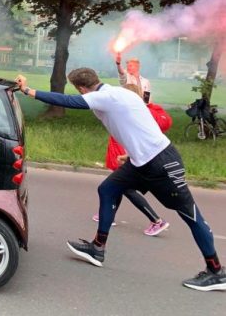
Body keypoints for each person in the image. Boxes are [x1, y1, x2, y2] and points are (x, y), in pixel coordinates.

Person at [15, 69, 224, 291]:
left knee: (190, 215)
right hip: (141, 161)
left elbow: (68, 101)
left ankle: (216, 272)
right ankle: (97, 248)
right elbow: (136, 123)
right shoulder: (118, 94)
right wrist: (133, 153)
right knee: (108, 189)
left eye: (79, 91)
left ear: (82, 88)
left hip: (162, 163)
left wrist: (27, 90)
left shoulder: (105, 97)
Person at [98, 83, 171, 236]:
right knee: (115, 186)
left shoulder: (133, 111)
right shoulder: (136, 110)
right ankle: (107, 215)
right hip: (129, 153)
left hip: (127, 155)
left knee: (126, 188)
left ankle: (156, 220)